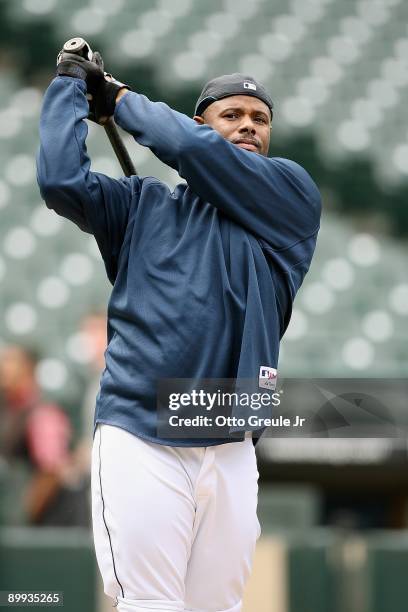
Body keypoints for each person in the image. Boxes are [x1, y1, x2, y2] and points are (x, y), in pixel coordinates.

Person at [37, 47, 321, 612]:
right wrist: (71, 88)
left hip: (230, 438)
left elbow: (194, 151)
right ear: (201, 121)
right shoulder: (143, 205)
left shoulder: (291, 196)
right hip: (141, 431)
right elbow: (60, 179)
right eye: (232, 115)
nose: (248, 126)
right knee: (152, 605)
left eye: (259, 118)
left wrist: (119, 99)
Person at [0, 344, 75, 525]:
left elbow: (49, 472)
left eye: (10, 361)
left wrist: (21, 518)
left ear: (28, 367)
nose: (3, 368)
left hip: (38, 524)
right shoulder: (8, 407)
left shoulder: (43, 412)